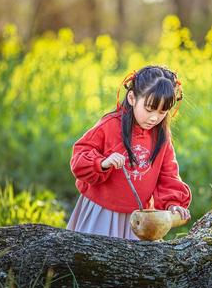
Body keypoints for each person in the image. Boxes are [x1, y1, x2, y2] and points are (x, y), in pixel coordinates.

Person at [67, 65, 192, 240]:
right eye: (149, 109)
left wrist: (173, 204)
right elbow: (79, 158)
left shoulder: (161, 137)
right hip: (102, 212)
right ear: (132, 98)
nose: (154, 118)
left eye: (162, 112)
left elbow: (168, 175)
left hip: (139, 220)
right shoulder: (109, 126)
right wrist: (102, 163)